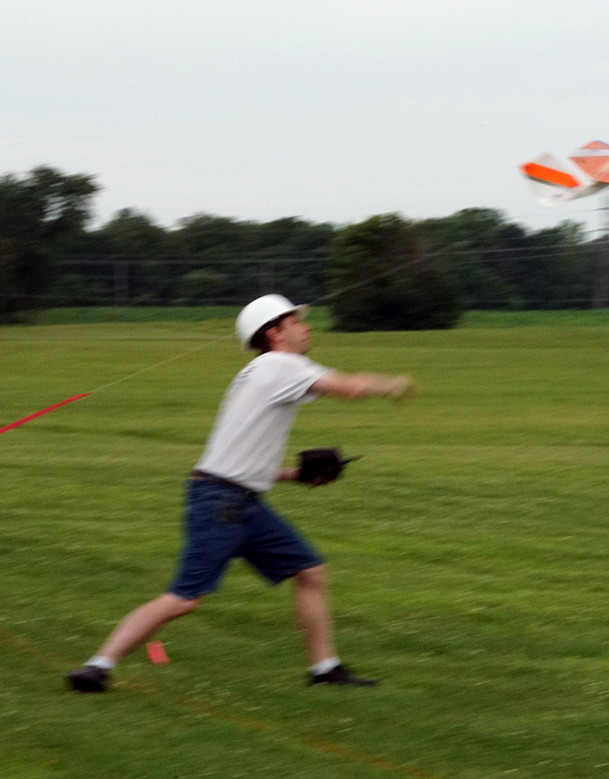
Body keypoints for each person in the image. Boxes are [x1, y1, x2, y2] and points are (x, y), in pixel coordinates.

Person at [65, 294, 418, 693]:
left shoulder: (261, 372)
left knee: (310, 571)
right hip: (221, 503)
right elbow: (350, 388)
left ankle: (324, 669)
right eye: (295, 322)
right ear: (274, 333)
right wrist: (392, 384)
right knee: (184, 598)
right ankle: (97, 666)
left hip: (238, 501)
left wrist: (297, 476)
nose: (306, 328)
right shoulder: (281, 364)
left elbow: (241, 459)